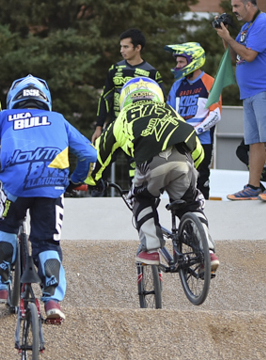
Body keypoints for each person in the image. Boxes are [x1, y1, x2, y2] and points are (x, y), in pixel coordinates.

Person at [0, 76, 96, 321]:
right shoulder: (58, 119)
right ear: (45, 98)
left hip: (16, 185)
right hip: (52, 186)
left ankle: (1, 285)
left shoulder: (4, 117)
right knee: (47, 242)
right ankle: (52, 300)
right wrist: (76, 180)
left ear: (13, 98)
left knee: (4, 227)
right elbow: (89, 153)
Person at [91, 76, 219, 273]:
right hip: (183, 161)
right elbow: (196, 147)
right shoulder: (170, 111)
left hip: (150, 162)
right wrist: (197, 170)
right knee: (190, 203)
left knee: (141, 197)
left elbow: (99, 153)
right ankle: (207, 251)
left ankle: (150, 248)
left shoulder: (123, 117)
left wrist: (92, 180)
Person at [214, 0, 266, 201]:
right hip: (250, 92)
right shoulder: (247, 27)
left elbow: (249, 55)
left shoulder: (263, 23)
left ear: (249, 5)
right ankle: (253, 186)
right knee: (254, 140)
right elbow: (235, 54)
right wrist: (225, 37)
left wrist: (229, 38)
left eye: (236, 6)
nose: (233, 10)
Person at [165, 42, 221, 198]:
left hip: (202, 141)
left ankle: (203, 214)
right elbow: (169, 112)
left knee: (201, 178)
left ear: (194, 61)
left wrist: (195, 131)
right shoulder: (177, 85)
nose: (178, 65)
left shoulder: (210, 82)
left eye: (181, 62)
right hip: (180, 141)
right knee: (179, 178)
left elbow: (215, 115)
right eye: (177, 62)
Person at [92, 28, 163, 142]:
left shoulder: (152, 73)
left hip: (139, 129)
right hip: (115, 125)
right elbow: (105, 98)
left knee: (136, 160)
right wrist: (99, 126)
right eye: (121, 46)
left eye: (126, 47)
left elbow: (160, 103)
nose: (121, 50)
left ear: (138, 48)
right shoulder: (115, 69)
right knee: (102, 158)